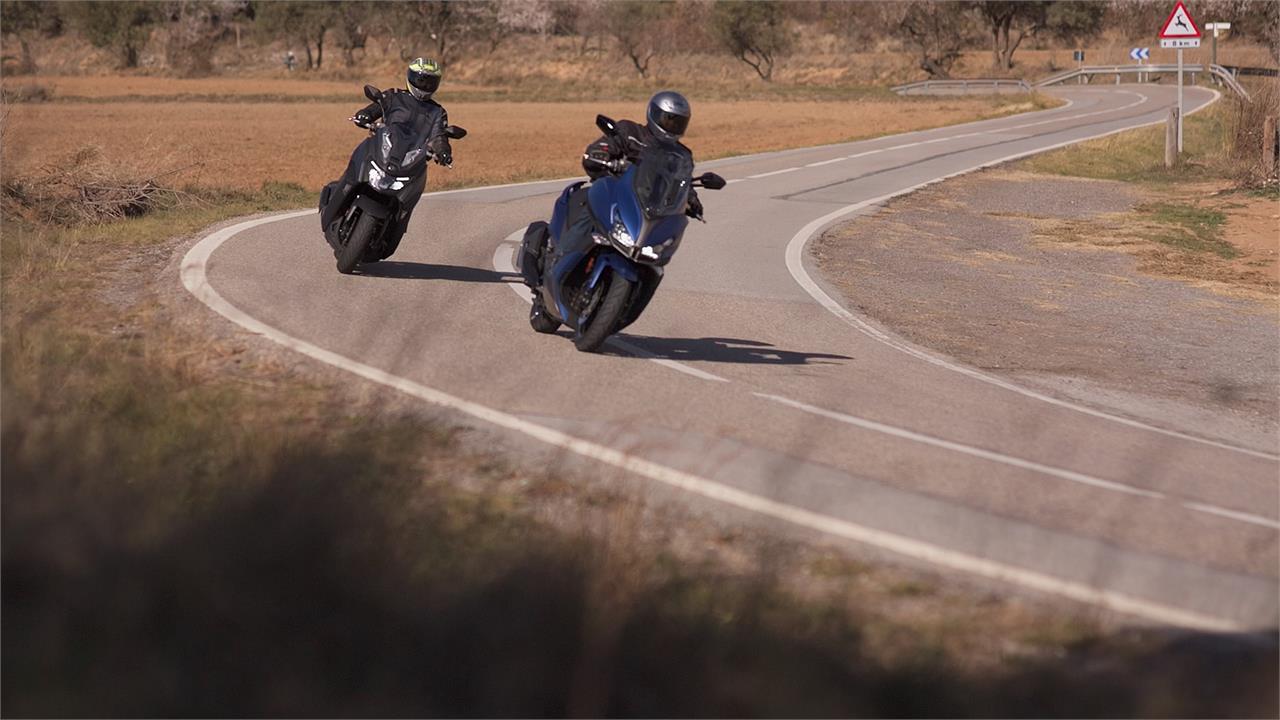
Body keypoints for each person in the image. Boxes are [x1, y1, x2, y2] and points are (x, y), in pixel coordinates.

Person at [580, 90, 703, 221]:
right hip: (613, 196)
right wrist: (600, 154)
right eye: (669, 120)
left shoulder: (679, 155)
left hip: (650, 210)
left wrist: (691, 198)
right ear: (654, 114)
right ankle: (571, 241)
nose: (673, 126)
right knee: (589, 219)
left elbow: (681, 181)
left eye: (679, 123)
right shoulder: (629, 132)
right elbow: (605, 145)